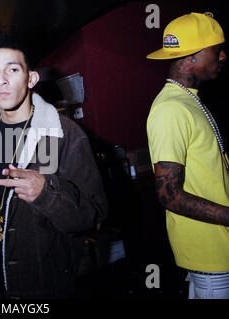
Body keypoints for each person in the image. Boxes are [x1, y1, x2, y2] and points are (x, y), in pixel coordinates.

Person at [0, 35, 108, 299]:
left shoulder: (64, 135)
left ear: (31, 79)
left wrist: (47, 194)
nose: (2, 79)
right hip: (0, 287)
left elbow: (95, 215)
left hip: (50, 288)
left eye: (13, 69)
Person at [146, 12, 229, 299]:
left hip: (217, 249)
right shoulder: (171, 109)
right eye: (217, 50)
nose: (223, 57)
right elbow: (169, 195)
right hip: (210, 252)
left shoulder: (188, 100)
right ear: (192, 56)